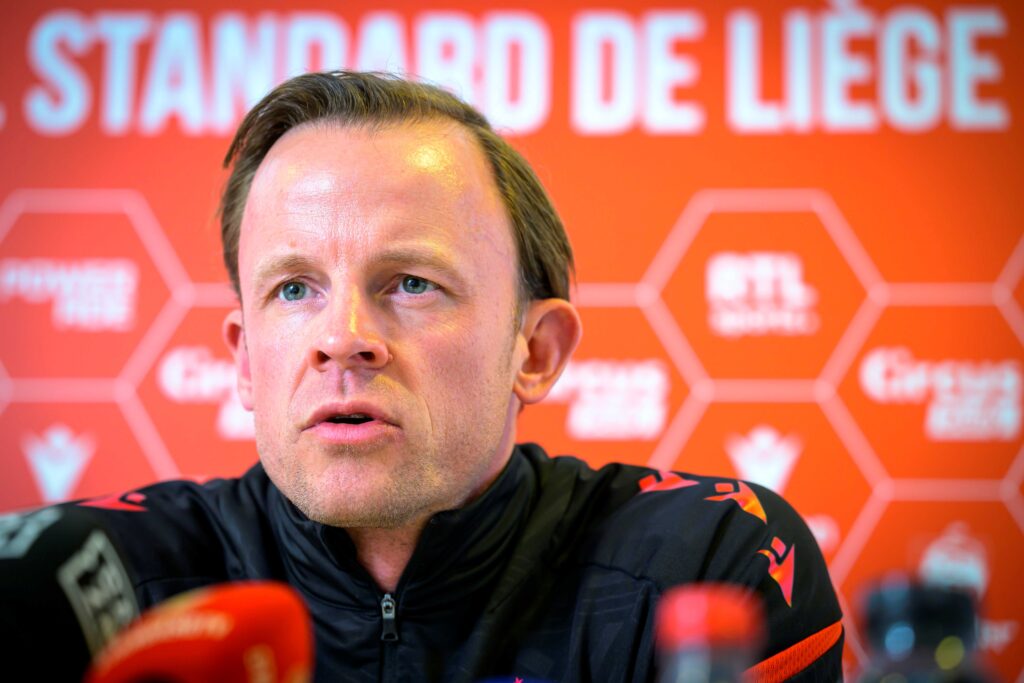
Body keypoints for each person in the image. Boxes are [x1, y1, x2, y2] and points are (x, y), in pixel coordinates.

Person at [4, 71, 843, 681]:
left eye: (411, 283)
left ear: (535, 351)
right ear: (246, 359)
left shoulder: (702, 564)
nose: (343, 338)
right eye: (294, 289)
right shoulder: (93, 588)